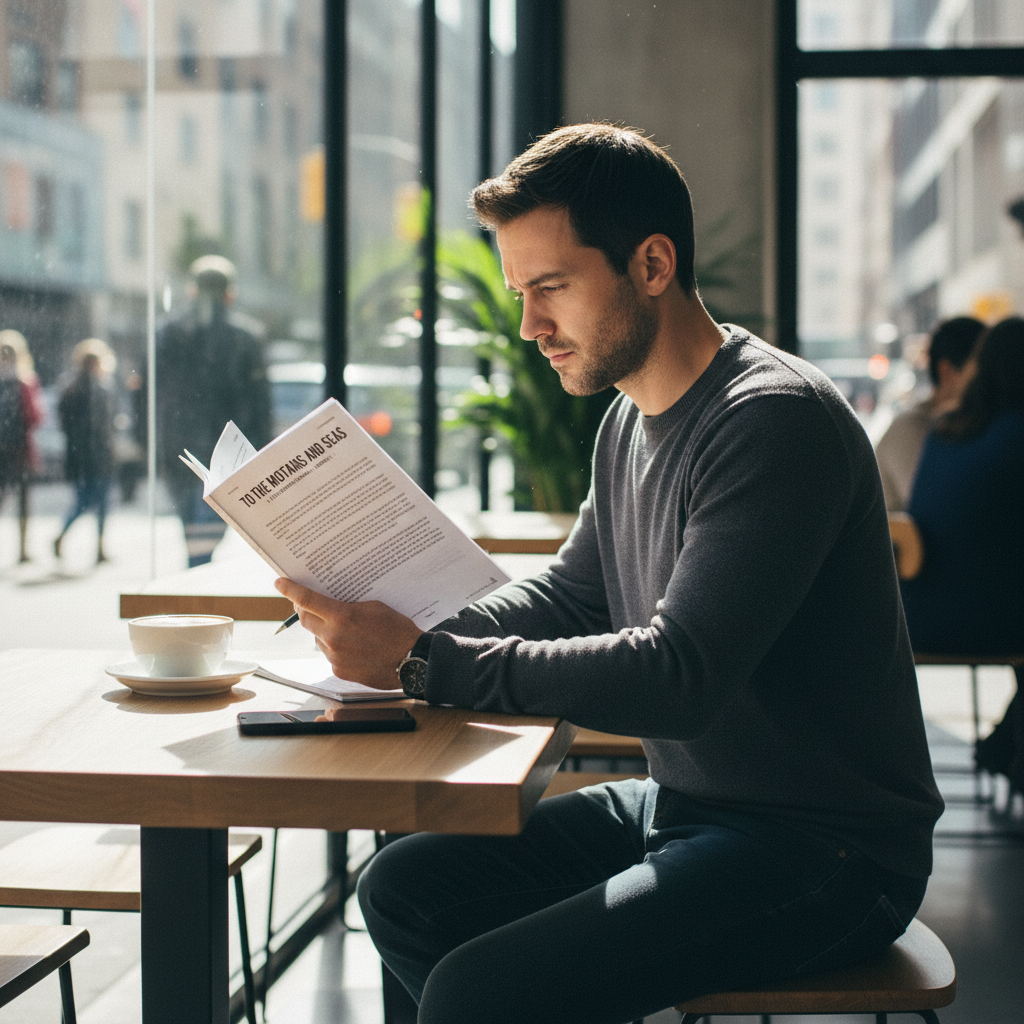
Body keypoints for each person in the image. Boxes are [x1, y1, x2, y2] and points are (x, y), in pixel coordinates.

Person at [278, 124, 943, 1024]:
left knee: (476, 994)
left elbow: (679, 679)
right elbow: (571, 594)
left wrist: (424, 666)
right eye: (520, 292)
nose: (529, 326)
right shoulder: (629, 419)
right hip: (688, 806)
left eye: (550, 287)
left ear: (653, 264)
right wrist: (410, 627)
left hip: (825, 851)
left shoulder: (773, 422)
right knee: (404, 887)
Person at [900, 317, 1024, 791]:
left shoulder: (945, 431)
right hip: (993, 624)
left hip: (920, 619)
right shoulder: (1017, 436)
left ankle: (1005, 745)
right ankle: (1006, 748)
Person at [156, 255, 271, 567]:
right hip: (227, 449)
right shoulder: (246, 337)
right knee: (205, 533)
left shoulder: (168, 333)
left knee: (193, 530)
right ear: (229, 293)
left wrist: (149, 442)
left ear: (193, 290)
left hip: (177, 447)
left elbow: (152, 393)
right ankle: (197, 583)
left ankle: (195, 581)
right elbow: (260, 402)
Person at [874, 316, 984, 512]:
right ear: (946, 372)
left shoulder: (955, 425)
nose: (987, 387)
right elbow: (940, 508)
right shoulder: (911, 428)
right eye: (980, 376)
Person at [54, 339, 118, 564]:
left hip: (78, 456)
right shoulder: (101, 389)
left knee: (83, 501)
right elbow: (105, 425)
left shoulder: (69, 388)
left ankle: (64, 536)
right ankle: (98, 546)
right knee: (99, 502)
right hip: (99, 455)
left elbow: (63, 423)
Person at [0, 330, 43, 563]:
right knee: (24, 501)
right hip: (20, 450)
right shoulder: (25, 381)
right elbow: (35, 416)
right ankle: (22, 550)